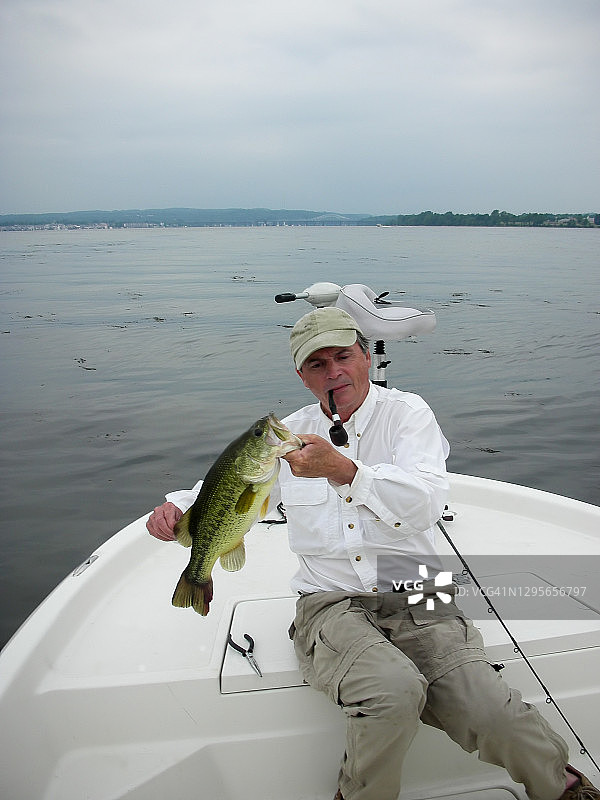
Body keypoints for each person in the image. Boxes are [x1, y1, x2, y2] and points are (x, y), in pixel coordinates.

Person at [147, 306, 599, 800]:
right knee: (391, 691)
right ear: (302, 377)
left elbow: (426, 502)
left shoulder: (408, 414)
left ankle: (565, 790)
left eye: (343, 355)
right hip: (329, 596)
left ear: (366, 356)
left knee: (490, 708)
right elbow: (230, 485)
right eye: (317, 364)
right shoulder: (288, 435)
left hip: (420, 582)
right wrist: (175, 507)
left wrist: (344, 469)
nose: (334, 371)